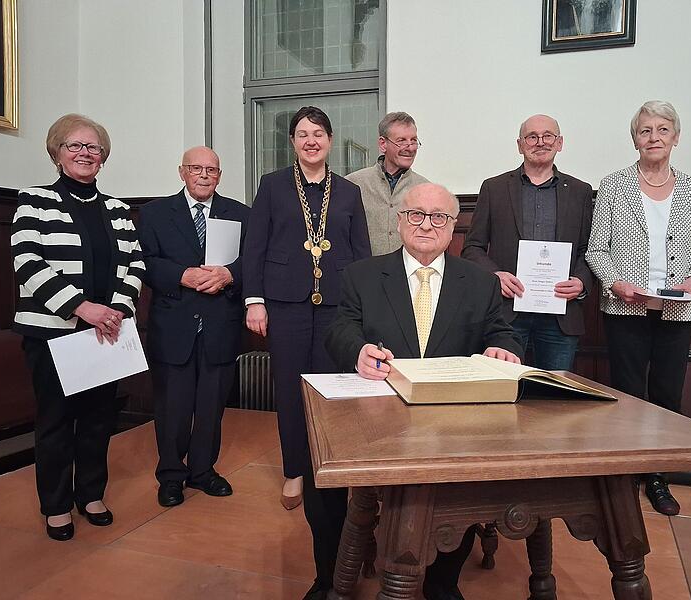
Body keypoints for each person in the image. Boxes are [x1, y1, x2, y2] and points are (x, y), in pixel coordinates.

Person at [322, 183, 523, 600]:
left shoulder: (480, 282)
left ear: (453, 229)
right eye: (416, 214)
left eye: (439, 217)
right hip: (383, 417)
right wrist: (357, 350)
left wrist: (504, 349)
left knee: (459, 495)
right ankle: (393, 564)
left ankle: (443, 582)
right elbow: (340, 329)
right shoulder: (362, 275)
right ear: (399, 222)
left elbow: (502, 332)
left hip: (454, 422)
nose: (426, 225)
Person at [10, 114, 144, 540]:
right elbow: (27, 263)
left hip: (106, 332)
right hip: (52, 332)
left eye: (94, 148)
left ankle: (90, 494)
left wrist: (115, 312)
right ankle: (55, 505)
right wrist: (82, 308)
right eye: (75, 146)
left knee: (98, 419)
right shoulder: (34, 200)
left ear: (103, 158)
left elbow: (134, 265)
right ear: (56, 152)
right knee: (55, 420)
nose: (86, 153)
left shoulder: (119, 210)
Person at [586, 100, 691, 516]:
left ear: (675, 137)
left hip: (678, 308)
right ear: (635, 138)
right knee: (627, 394)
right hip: (627, 306)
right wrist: (615, 283)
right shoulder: (612, 185)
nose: (654, 137)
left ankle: (658, 476)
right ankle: (625, 475)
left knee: (666, 393)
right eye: (646, 130)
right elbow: (596, 249)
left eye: (663, 130)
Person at [243, 106, 370, 512]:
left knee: (332, 387)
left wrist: (362, 307)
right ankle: (294, 471)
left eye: (318, 133)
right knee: (291, 388)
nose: (311, 140)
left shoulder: (349, 191)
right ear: (293, 142)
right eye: (302, 134)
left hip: (336, 304)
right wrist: (254, 300)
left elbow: (362, 253)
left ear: (330, 140)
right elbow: (254, 248)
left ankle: (327, 465)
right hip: (284, 303)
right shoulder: (273, 185)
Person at [138, 146, 249, 507]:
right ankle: (171, 475)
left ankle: (203, 471)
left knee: (211, 404)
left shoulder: (240, 214)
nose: (204, 175)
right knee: (173, 405)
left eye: (212, 170)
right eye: (196, 168)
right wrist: (181, 275)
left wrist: (230, 274)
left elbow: (253, 262)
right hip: (174, 324)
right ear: (182, 172)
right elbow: (145, 264)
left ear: (220, 175)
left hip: (221, 322)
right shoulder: (155, 213)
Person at [462, 114, 593, 371]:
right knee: (503, 391)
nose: (540, 142)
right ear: (520, 144)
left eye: (548, 136)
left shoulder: (580, 191)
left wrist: (581, 282)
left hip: (561, 314)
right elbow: (472, 247)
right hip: (506, 313)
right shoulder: (494, 188)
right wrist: (494, 276)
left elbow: (587, 250)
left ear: (560, 143)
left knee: (556, 398)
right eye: (532, 137)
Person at [346, 111, 428, 255]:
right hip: (364, 272)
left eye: (413, 140)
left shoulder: (425, 188)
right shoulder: (353, 184)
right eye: (401, 140)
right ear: (383, 144)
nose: (410, 147)